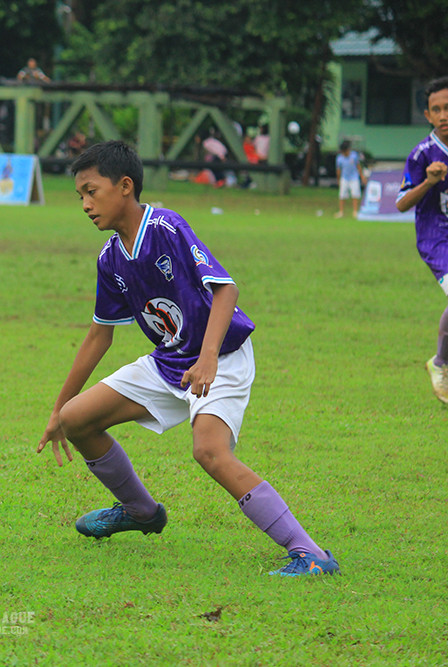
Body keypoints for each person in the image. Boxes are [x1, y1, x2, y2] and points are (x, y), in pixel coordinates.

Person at [37, 140, 339, 577]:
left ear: (125, 186)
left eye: (91, 191)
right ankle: (141, 511)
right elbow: (99, 334)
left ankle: (311, 554)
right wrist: (57, 410)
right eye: (79, 195)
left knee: (210, 453)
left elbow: (226, 290)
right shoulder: (109, 258)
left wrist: (210, 358)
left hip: (222, 356)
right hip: (169, 362)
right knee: (78, 418)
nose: (84, 204)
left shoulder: (166, 227)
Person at [395, 76, 448, 404]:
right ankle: (441, 363)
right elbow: (401, 203)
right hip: (437, 240)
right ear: (427, 115)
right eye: (437, 109)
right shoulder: (423, 154)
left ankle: (440, 362)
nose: (444, 115)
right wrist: (428, 182)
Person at [335, 140, 365, 219]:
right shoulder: (339, 158)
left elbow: (358, 166)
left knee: (355, 194)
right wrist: (338, 180)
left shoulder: (354, 156)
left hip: (354, 177)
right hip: (344, 178)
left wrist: (362, 177)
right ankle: (341, 212)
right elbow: (338, 170)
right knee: (342, 195)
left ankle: (355, 211)